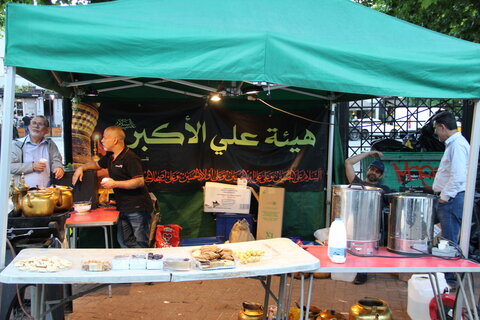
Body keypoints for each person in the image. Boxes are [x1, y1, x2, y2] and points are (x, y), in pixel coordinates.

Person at [72, 126, 153, 248]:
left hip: (138, 208)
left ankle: (142, 265)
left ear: (115, 140)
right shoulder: (110, 157)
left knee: (141, 243)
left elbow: (139, 181)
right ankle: (130, 265)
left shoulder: (130, 157)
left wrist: (114, 184)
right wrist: (81, 168)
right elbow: (96, 164)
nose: (102, 140)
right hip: (122, 207)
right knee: (125, 242)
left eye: (105, 137)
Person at [432, 111, 469, 289]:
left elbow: (458, 176)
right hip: (449, 198)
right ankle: (446, 276)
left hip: (451, 199)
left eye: (436, 129)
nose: (436, 133)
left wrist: (444, 197)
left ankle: (450, 280)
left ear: (442, 127)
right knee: (442, 235)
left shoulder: (457, 145)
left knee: (449, 239)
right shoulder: (454, 144)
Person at [345, 151, 393, 285]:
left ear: (381, 175)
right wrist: (369, 153)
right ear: (367, 169)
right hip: (357, 224)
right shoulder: (357, 184)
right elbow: (348, 162)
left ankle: (365, 271)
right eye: (372, 169)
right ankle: (360, 271)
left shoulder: (384, 189)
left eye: (377, 171)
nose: (374, 172)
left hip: (375, 226)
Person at [10, 115, 64, 188]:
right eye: (34, 123)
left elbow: (56, 159)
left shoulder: (50, 144)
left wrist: (58, 167)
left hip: (46, 192)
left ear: (47, 130)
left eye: (40, 124)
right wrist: (32, 166)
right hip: (24, 193)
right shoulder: (18, 145)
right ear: (29, 127)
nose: (36, 126)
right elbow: (10, 167)